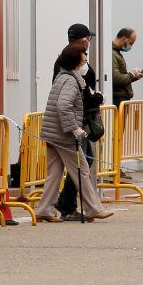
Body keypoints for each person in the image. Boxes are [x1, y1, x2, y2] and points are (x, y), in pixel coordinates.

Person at [36, 43, 113, 223]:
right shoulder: (71, 80)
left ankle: (44, 209)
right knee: (82, 169)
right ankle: (93, 208)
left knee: (54, 173)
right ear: (76, 59)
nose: (86, 57)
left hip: (52, 132)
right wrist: (74, 128)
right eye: (83, 54)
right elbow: (63, 106)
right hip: (64, 135)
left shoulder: (63, 77)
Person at [53, 23, 103, 221]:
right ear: (84, 40)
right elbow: (73, 95)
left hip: (72, 120)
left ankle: (55, 205)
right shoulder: (72, 62)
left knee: (60, 168)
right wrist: (95, 98)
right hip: (73, 122)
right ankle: (72, 206)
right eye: (89, 39)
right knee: (82, 162)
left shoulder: (64, 58)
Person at [112, 28, 143, 104]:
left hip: (121, 98)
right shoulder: (113, 53)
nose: (131, 46)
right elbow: (116, 78)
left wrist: (136, 76)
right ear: (124, 39)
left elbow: (122, 77)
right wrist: (132, 75)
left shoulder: (116, 53)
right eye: (131, 43)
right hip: (118, 99)